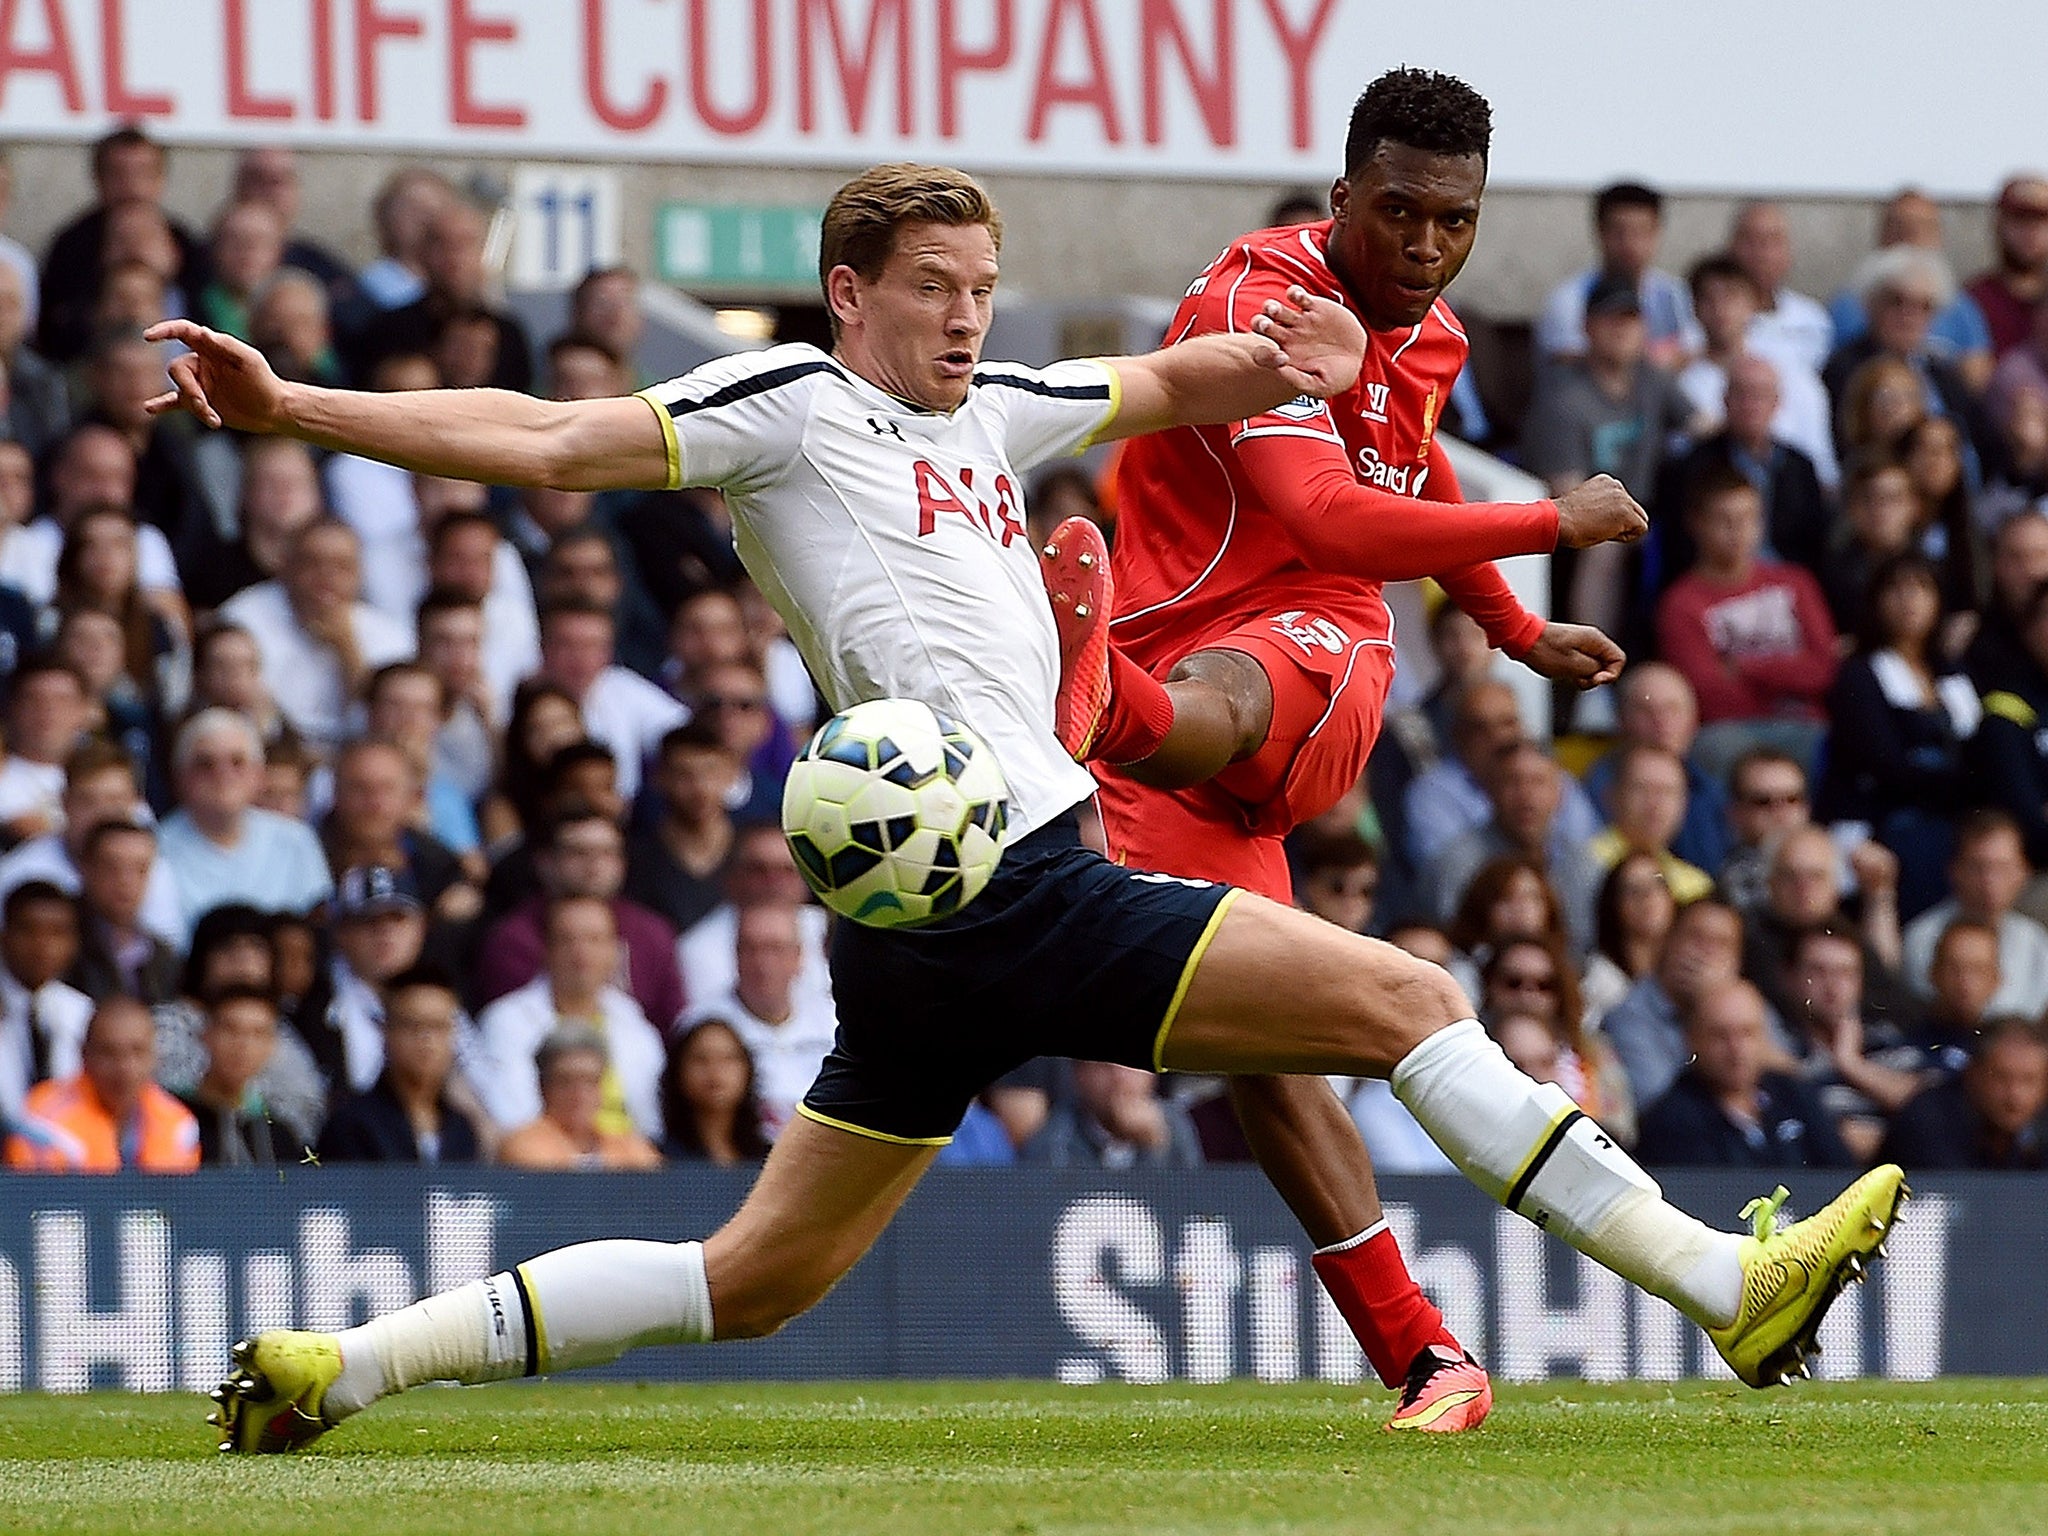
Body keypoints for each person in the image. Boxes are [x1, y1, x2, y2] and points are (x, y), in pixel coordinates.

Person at [151, 158, 1896, 1452]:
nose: (965, 313)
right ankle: (1717, 1289)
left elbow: (1161, 385)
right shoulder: (789, 403)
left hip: (926, 913)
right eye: (929, 285)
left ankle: (351, 1366)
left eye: (980, 283)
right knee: (1406, 1002)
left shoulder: (985, 412)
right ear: (846, 292)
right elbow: (543, 437)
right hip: (996, 872)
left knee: (754, 1278)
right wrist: (295, 400)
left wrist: (1303, 348)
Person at [1818, 552, 1982, 914]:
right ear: (1875, 601)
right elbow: (1887, 765)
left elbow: (1979, 747)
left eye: (1921, 588)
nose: (1909, 600)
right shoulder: (1859, 675)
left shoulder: (1954, 674)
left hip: (1955, 812)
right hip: (1888, 818)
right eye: (1896, 589)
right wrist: (1970, 783)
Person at [1655, 467, 1839, 782]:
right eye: (1724, 520)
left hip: (1808, 726)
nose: (1738, 530)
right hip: (1729, 730)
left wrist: (1745, 668)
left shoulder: (1796, 582)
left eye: (1748, 518)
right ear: (1696, 524)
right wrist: (1789, 673)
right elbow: (1709, 695)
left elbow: (1824, 669)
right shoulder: (1681, 603)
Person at [473, 895, 667, 1141]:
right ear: (546, 949)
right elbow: (513, 1119)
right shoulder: (505, 1021)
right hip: (547, 1167)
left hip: (626, 1167)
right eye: (567, 940)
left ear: (615, 951)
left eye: (594, 940)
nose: (581, 952)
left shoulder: (637, 1027)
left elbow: (651, 1126)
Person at [476, 804, 685, 1025]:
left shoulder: (653, 933)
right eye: (578, 852)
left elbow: (672, 1026)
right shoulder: (514, 940)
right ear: (544, 862)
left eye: (607, 853)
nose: (594, 866)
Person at [217, 518, 414, 751]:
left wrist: (347, 649)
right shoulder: (243, 619)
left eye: (341, 566)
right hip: (269, 757)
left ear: (360, 575)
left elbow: (386, 726)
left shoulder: (391, 637)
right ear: (287, 566)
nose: (327, 578)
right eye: (313, 563)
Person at [1634, 980, 1852, 1169]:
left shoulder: (1794, 1094)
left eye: (1747, 1033)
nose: (1736, 1049)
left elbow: (1844, 1176)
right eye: (1721, 1036)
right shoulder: (1671, 1120)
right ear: (1691, 1039)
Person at [157, 710, 332, 941]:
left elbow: (317, 927)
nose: (222, 774)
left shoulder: (296, 840)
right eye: (205, 763)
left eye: (237, 762)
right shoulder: (157, 848)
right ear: (179, 777)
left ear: (258, 775)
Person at [680, 901, 838, 1140]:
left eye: (775, 949)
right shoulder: (701, 1025)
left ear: (799, 957)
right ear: (735, 954)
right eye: (751, 948)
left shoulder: (833, 1022)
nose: (763, 963)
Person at [0, 737, 183, 941]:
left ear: (136, 804)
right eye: (87, 801)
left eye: (115, 801)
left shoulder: (153, 870)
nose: (102, 814)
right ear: (64, 802)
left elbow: (166, 952)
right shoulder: (19, 873)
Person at [5, 995, 199, 1171]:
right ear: (84, 1055)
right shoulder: (41, 1123)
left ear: (154, 1056)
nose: (124, 1067)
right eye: (109, 1052)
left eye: (137, 1051)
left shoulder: (180, 1125)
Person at [315, 963, 481, 1163]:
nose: (426, 1040)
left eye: (438, 1027)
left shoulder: (461, 1130)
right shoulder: (352, 1126)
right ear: (385, 1032)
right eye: (413, 1025)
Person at [1581, 662, 1729, 875]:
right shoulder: (1595, 788)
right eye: (1645, 710)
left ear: (1694, 720)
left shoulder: (1712, 790)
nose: (1661, 721)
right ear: (1621, 719)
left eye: (1672, 709)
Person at [1534, 181, 1703, 367]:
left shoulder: (1675, 293)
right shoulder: (1569, 299)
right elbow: (1574, 362)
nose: (1630, 243)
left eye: (1641, 232)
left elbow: (1696, 352)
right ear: (1599, 231)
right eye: (1619, 231)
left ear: (1657, 233)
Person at [1900, 810, 2048, 1019]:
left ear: (2023, 872)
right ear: (1955, 870)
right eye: (1978, 867)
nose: (1989, 880)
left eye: (2001, 867)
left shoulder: (2036, 942)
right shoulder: (1923, 936)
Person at [1881, 1017, 2048, 1170]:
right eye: (2001, 1078)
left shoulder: (2040, 1126)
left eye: (2029, 1080)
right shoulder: (1927, 1120)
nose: (2015, 1097)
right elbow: (1961, 1195)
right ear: (1973, 1074)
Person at [627, 721, 743, 934]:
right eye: (684, 774)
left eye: (710, 772)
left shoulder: (754, 852)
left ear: (731, 774)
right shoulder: (635, 859)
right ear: (660, 778)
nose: (699, 787)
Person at [176, 985, 309, 1166]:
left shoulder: (279, 1135)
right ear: (207, 1034)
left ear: (271, 1046)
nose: (243, 1045)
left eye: (258, 1033)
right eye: (231, 1029)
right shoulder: (173, 1116)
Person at [499, 1025, 664, 1171]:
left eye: (590, 1081)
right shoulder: (524, 1145)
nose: (580, 1094)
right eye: (565, 1081)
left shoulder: (628, 1145)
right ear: (543, 1087)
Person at [0, 880, 91, 1127]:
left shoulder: (82, 1012)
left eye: (57, 932)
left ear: (74, 943)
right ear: (4, 936)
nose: (42, 944)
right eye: (28, 930)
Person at [67, 819, 179, 1006]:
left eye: (140, 869)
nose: (125, 881)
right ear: (85, 867)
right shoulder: (60, 940)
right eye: (112, 867)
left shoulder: (162, 954)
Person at [1586, 744, 1714, 905]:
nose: (1655, 803)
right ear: (1612, 796)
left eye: (1667, 791)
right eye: (1641, 789)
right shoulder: (1588, 864)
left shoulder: (1697, 885)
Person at [1023, 1059, 1204, 1168]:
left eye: (1133, 1064)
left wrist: (1156, 1147)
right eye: (1105, 1066)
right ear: (1079, 1075)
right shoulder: (1056, 1139)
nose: (1120, 1077)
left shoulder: (1173, 1124)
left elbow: (1190, 1207)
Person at [1728, 201, 1834, 375]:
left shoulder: (1813, 320)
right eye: (1750, 240)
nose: (1761, 253)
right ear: (1731, 247)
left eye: (1772, 241)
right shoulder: (1706, 317)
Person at [1582, 851, 1676, 1027]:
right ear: (1614, 906)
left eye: (1657, 882)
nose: (1647, 896)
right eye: (1632, 889)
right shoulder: (1600, 982)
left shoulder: (1681, 975)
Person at [660, 1016, 772, 1164]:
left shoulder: (772, 1160)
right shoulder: (657, 1160)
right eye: (701, 1059)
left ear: (748, 1070)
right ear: (678, 1070)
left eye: (728, 1058)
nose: (715, 1071)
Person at [1966, 176, 2048, 358]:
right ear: (1998, 224)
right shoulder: (1974, 300)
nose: (2031, 232)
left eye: (2041, 221)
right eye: (2020, 220)